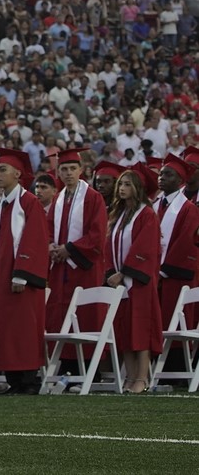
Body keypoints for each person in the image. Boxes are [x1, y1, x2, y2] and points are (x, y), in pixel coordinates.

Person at [0, 147, 49, 395]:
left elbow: (34, 239)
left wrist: (21, 274)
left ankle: (29, 380)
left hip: (20, 278)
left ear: (17, 174)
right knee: (6, 329)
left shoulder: (28, 202)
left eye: (2, 170)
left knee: (23, 329)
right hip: (1, 278)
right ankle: (14, 380)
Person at [45, 147, 107, 376]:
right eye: (64, 169)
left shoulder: (93, 197)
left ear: (81, 170)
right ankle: (65, 367)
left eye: (73, 168)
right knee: (60, 315)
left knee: (85, 314)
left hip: (83, 268)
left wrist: (69, 249)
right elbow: (48, 228)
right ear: (58, 172)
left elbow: (97, 234)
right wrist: (50, 246)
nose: (69, 173)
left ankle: (90, 370)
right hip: (60, 269)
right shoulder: (58, 199)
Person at [105, 165, 162, 394]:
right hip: (121, 283)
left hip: (139, 283)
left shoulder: (146, 214)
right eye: (120, 184)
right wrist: (111, 273)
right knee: (124, 330)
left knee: (141, 330)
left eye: (127, 184)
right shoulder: (118, 214)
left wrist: (124, 273)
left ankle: (141, 378)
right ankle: (129, 377)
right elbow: (108, 246)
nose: (122, 188)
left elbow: (144, 247)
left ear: (138, 188)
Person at [151, 153, 199, 381]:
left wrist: (162, 270)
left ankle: (175, 372)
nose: (162, 178)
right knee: (156, 319)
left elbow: (185, 243)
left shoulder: (188, 209)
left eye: (168, 175)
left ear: (180, 180)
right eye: (161, 174)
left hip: (174, 276)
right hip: (153, 275)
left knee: (175, 318)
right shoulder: (153, 205)